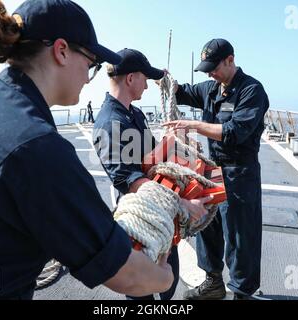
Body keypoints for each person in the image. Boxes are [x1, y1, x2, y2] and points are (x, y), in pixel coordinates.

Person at [0, 0, 173, 300]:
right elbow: (126, 275)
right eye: (90, 64)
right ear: (61, 51)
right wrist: (166, 275)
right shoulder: (34, 145)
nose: (87, 77)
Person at [93, 48, 212, 300]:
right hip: (141, 222)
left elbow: (151, 157)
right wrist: (184, 204)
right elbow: (130, 180)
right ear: (130, 78)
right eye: (145, 78)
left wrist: (183, 148)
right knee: (142, 292)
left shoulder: (133, 114)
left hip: (163, 216)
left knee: (167, 285)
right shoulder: (109, 123)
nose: (147, 85)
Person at [163, 38, 269, 300]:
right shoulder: (211, 88)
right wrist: (165, 81)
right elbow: (184, 91)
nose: (209, 73)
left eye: (213, 67)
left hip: (240, 173)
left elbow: (235, 132)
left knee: (240, 236)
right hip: (213, 171)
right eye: (206, 69)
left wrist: (195, 126)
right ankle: (213, 282)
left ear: (230, 60)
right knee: (206, 225)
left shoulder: (251, 90)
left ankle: (242, 292)